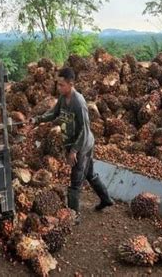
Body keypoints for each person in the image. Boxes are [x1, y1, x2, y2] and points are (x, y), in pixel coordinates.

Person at [30, 67, 114, 222]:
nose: (59, 87)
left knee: (75, 182)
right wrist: (38, 119)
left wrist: (74, 150)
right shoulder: (63, 98)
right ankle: (106, 199)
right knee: (90, 174)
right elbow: (53, 113)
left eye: (62, 85)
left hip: (83, 146)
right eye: (58, 84)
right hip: (74, 144)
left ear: (71, 83)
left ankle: (74, 216)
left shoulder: (79, 102)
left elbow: (85, 129)